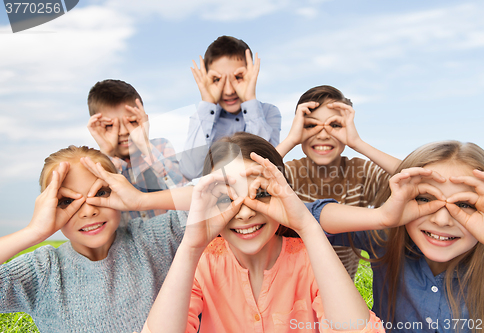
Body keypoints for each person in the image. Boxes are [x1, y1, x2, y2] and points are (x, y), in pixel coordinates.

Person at [141, 133, 384, 333]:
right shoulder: (202, 265)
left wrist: (308, 227)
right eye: (227, 197)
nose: (245, 213)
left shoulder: (309, 261)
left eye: (260, 193)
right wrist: (190, 247)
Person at [307, 141, 484, 333]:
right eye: (424, 198)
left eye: (464, 204)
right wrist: (380, 217)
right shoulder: (387, 237)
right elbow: (300, 218)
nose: (442, 220)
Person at [0, 146, 187, 333]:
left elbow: (216, 199)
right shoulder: (43, 271)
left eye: (100, 193)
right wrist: (33, 231)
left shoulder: (153, 238)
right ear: (48, 208)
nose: (89, 211)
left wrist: (141, 200)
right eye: (66, 201)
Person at [276, 85, 401, 279]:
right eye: (310, 125)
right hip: (292, 285)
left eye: (334, 125)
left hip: (342, 288)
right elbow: (245, 178)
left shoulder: (361, 172)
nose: (323, 134)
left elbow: (420, 177)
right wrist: (291, 139)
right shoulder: (289, 173)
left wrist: (357, 143)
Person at [179, 36, 282, 180]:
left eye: (238, 77)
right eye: (217, 80)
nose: (228, 90)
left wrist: (249, 99)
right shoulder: (202, 117)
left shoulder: (269, 112)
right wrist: (207, 102)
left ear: (251, 74)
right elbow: (191, 172)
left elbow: (262, 168)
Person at [87, 79, 186, 221]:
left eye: (132, 122)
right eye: (110, 125)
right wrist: (107, 154)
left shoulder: (160, 147)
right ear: (96, 127)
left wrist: (145, 146)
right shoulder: (94, 165)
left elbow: (185, 191)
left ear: (143, 120)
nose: (122, 131)